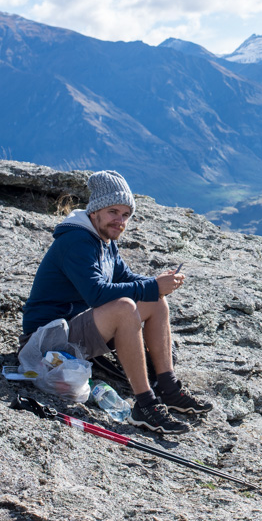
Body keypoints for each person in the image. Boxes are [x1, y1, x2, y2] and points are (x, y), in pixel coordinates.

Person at [20, 170, 212, 435]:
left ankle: (168, 389)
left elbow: (124, 277)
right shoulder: (77, 241)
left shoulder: (103, 240)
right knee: (126, 308)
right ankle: (145, 406)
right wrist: (152, 286)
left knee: (155, 301)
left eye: (125, 215)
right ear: (95, 210)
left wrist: (157, 283)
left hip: (72, 328)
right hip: (45, 342)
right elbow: (96, 294)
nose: (120, 221)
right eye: (113, 212)